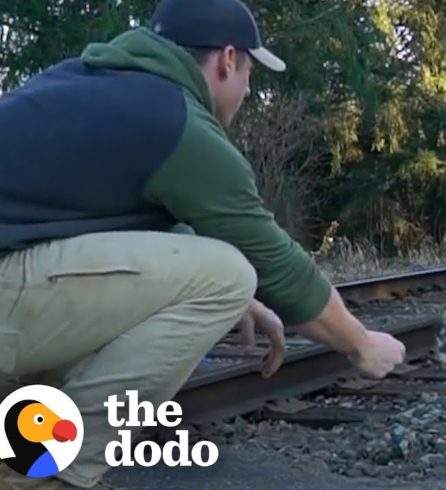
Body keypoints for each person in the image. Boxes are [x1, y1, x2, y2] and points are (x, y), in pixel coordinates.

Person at [0, 0, 406, 488]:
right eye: (250, 74)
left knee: (225, 278)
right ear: (227, 60)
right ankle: (38, 474)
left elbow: (93, 230)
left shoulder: (86, 83)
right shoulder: (177, 123)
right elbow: (277, 263)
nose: (249, 90)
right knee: (226, 273)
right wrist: (360, 344)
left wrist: (242, 301)